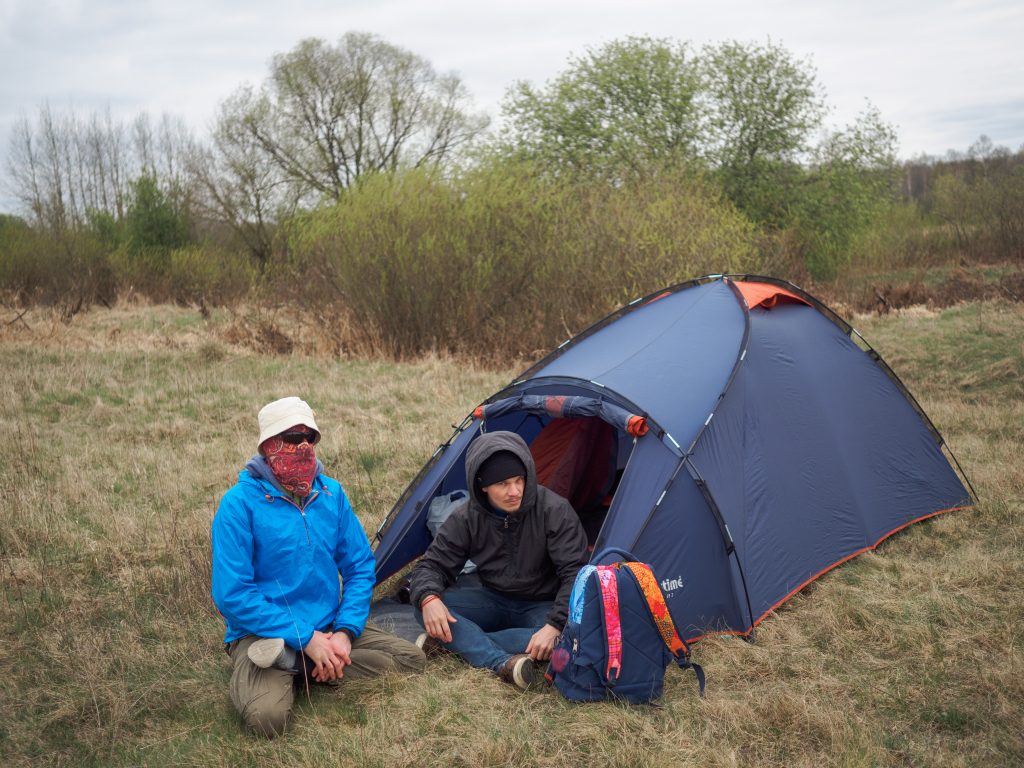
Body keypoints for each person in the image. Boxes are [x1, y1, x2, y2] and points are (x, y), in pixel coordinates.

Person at [211, 396, 425, 737]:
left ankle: (302, 667)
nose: (305, 448)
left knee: (412, 660)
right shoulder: (238, 505)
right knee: (267, 720)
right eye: (294, 439)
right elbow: (233, 595)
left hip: (327, 625)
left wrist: (343, 633)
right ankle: (294, 662)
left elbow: (359, 568)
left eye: (311, 438)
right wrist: (304, 637)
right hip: (263, 632)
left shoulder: (331, 494)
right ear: (269, 445)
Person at [409, 430, 588, 689]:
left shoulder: (554, 510)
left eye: (519, 480)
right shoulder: (467, 517)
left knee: (565, 636)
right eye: (502, 484)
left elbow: (576, 574)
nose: (514, 491)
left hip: (543, 606)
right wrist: (429, 598)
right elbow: (432, 565)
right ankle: (501, 662)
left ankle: (457, 644)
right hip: (491, 599)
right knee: (423, 608)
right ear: (483, 486)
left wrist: (555, 624)